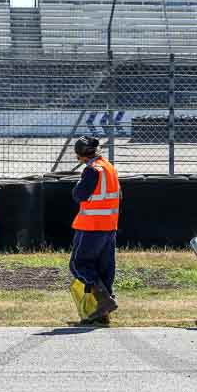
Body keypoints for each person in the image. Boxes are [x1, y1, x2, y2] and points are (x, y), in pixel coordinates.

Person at [70, 136, 121, 326]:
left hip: (91, 225)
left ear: (80, 155)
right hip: (109, 226)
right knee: (104, 268)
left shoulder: (91, 171)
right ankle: (103, 314)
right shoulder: (109, 168)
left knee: (79, 265)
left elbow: (79, 195)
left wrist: (77, 185)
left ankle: (104, 299)